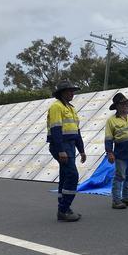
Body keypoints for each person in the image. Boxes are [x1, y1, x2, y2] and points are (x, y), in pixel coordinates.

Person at [47, 80, 87, 222]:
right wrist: (61, 150)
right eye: (69, 91)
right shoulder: (56, 107)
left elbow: (76, 131)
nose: (72, 93)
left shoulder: (71, 108)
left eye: (73, 91)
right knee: (72, 175)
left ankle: (63, 208)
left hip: (70, 145)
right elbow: (56, 129)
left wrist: (81, 150)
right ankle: (64, 209)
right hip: (61, 145)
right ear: (61, 93)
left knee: (65, 175)